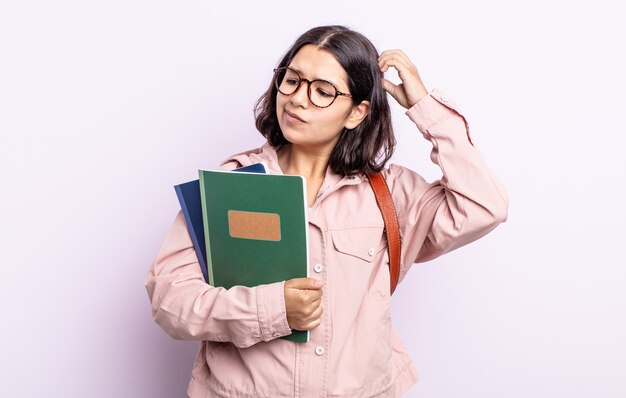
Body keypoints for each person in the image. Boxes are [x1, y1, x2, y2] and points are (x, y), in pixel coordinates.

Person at [145, 25, 508, 398]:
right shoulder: (231, 185)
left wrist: (424, 107)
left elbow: (485, 205)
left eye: (322, 92)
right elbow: (171, 301)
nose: (298, 100)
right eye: (292, 81)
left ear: (356, 112)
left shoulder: (391, 194)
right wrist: (272, 310)